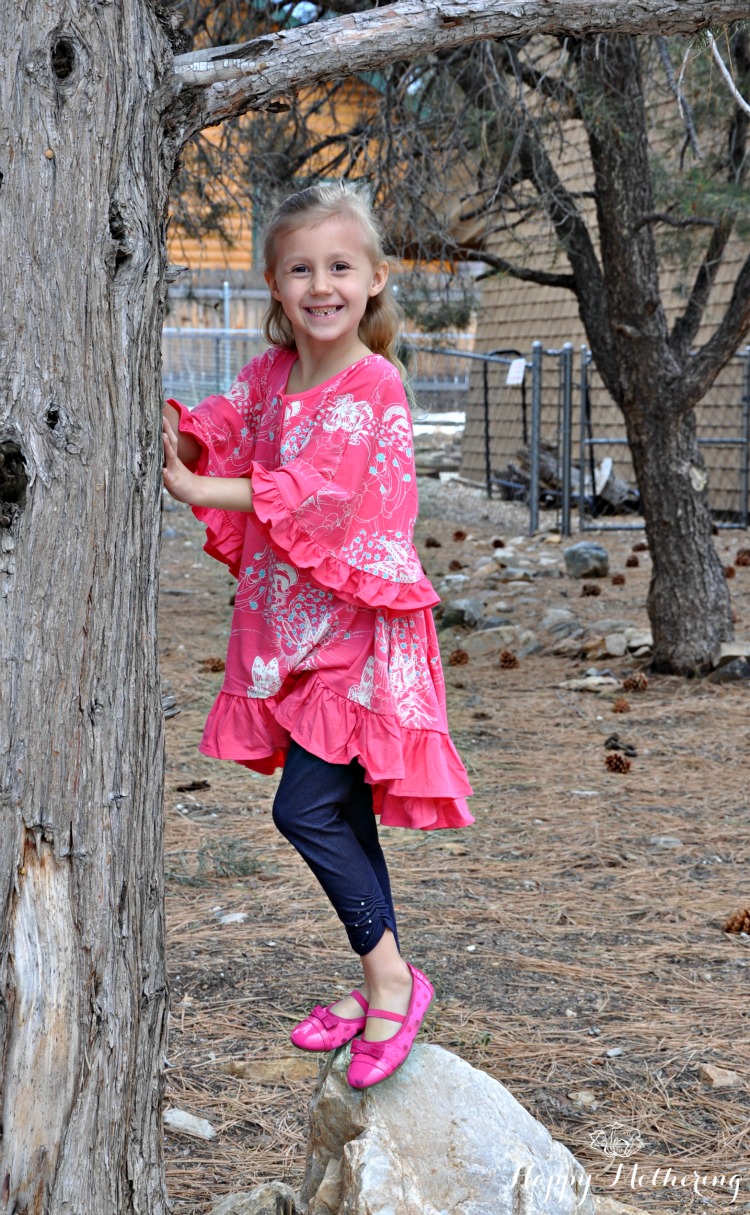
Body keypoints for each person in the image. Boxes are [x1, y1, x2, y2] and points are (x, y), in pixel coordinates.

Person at [162, 181, 473, 1089]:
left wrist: (198, 492)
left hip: (357, 632)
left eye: (341, 265)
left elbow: (316, 490)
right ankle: (381, 974)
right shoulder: (270, 377)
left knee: (301, 808)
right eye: (301, 267)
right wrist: (180, 441)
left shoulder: (373, 384)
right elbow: (227, 420)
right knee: (336, 810)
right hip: (290, 635)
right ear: (273, 282)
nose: (321, 283)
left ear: (375, 280)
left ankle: (391, 979)